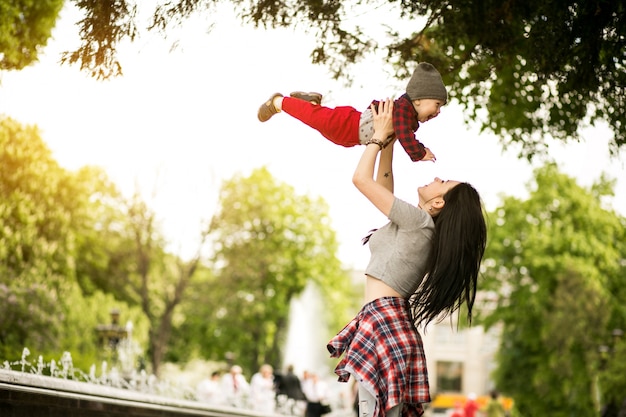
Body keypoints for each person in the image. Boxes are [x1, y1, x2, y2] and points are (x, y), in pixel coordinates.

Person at [326, 99, 487, 417]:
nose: (435, 178)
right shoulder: (418, 226)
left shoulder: (419, 223)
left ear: (439, 202)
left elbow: (361, 181)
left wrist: (375, 138)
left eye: (442, 182)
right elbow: (381, 186)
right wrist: (388, 141)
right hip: (385, 323)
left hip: (385, 323)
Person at [257, 62, 447, 163]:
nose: (437, 112)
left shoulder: (407, 116)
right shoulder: (403, 110)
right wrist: (419, 152)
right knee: (315, 120)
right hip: (347, 125)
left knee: (318, 122)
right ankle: (279, 102)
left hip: (349, 134)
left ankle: (310, 103)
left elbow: (404, 133)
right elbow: (405, 135)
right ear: (419, 99)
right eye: (437, 104)